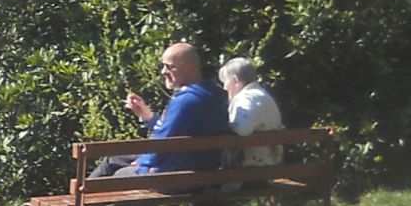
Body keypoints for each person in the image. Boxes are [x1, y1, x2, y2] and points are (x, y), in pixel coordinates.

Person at [93, 42, 234, 177]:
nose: (163, 71)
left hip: (175, 175)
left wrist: (143, 165)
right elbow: (171, 132)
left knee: (114, 176)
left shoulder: (187, 100)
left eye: (169, 66)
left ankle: (79, 201)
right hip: (199, 169)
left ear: (190, 67)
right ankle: (80, 201)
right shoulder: (214, 94)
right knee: (113, 159)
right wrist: (148, 116)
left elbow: (161, 143)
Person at [220, 57, 285, 167]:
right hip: (273, 164)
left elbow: (243, 129)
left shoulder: (245, 98)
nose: (224, 87)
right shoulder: (264, 95)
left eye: (225, 81)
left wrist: (226, 126)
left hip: (251, 169)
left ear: (235, 80)